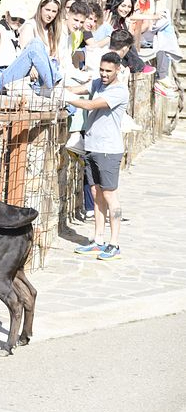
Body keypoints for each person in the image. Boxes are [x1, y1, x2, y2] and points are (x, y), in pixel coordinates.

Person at [68, 52, 130, 261]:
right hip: (92, 146)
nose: (103, 74)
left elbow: (88, 104)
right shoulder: (98, 83)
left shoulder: (119, 91)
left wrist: (65, 97)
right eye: (102, 70)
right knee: (96, 195)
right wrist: (59, 89)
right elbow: (80, 89)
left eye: (108, 71)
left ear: (117, 70)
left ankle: (114, 243)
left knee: (110, 196)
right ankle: (98, 240)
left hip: (108, 150)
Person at [0, 0, 62, 96]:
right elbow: (25, 55)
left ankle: (54, 83)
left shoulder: (53, 31)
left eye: (54, 11)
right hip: (13, 77)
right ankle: (55, 83)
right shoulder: (29, 25)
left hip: (38, 78)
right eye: (47, 10)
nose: (50, 14)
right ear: (40, 9)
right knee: (36, 43)